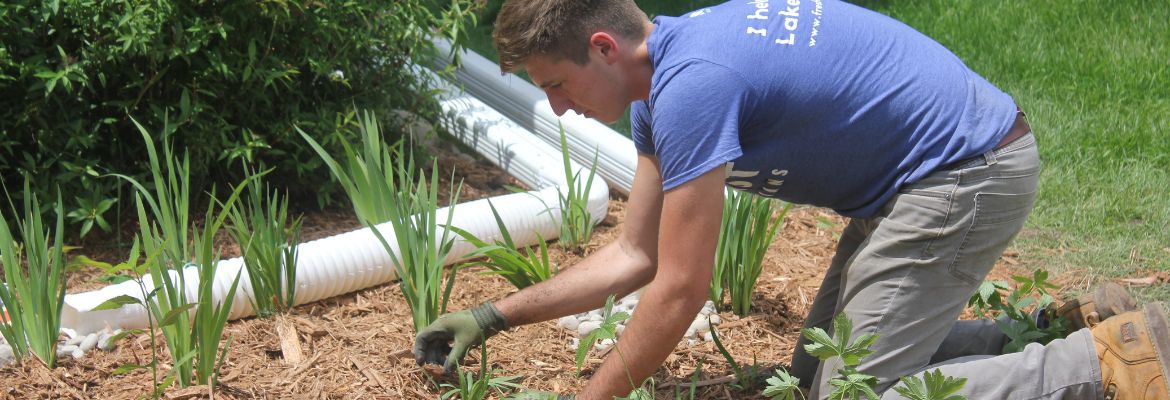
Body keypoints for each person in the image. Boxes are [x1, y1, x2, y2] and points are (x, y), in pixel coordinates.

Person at [413, 0, 1170, 398]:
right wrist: (491, 316)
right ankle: (1039, 328)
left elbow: (680, 289)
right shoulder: (660, 87)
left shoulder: (693, 88)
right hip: (919, 180)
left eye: (555, 84)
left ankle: (1113, 362)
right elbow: (635, 256)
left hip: (966, 171)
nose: (556, 109)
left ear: (603, 50)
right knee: (821, 373)